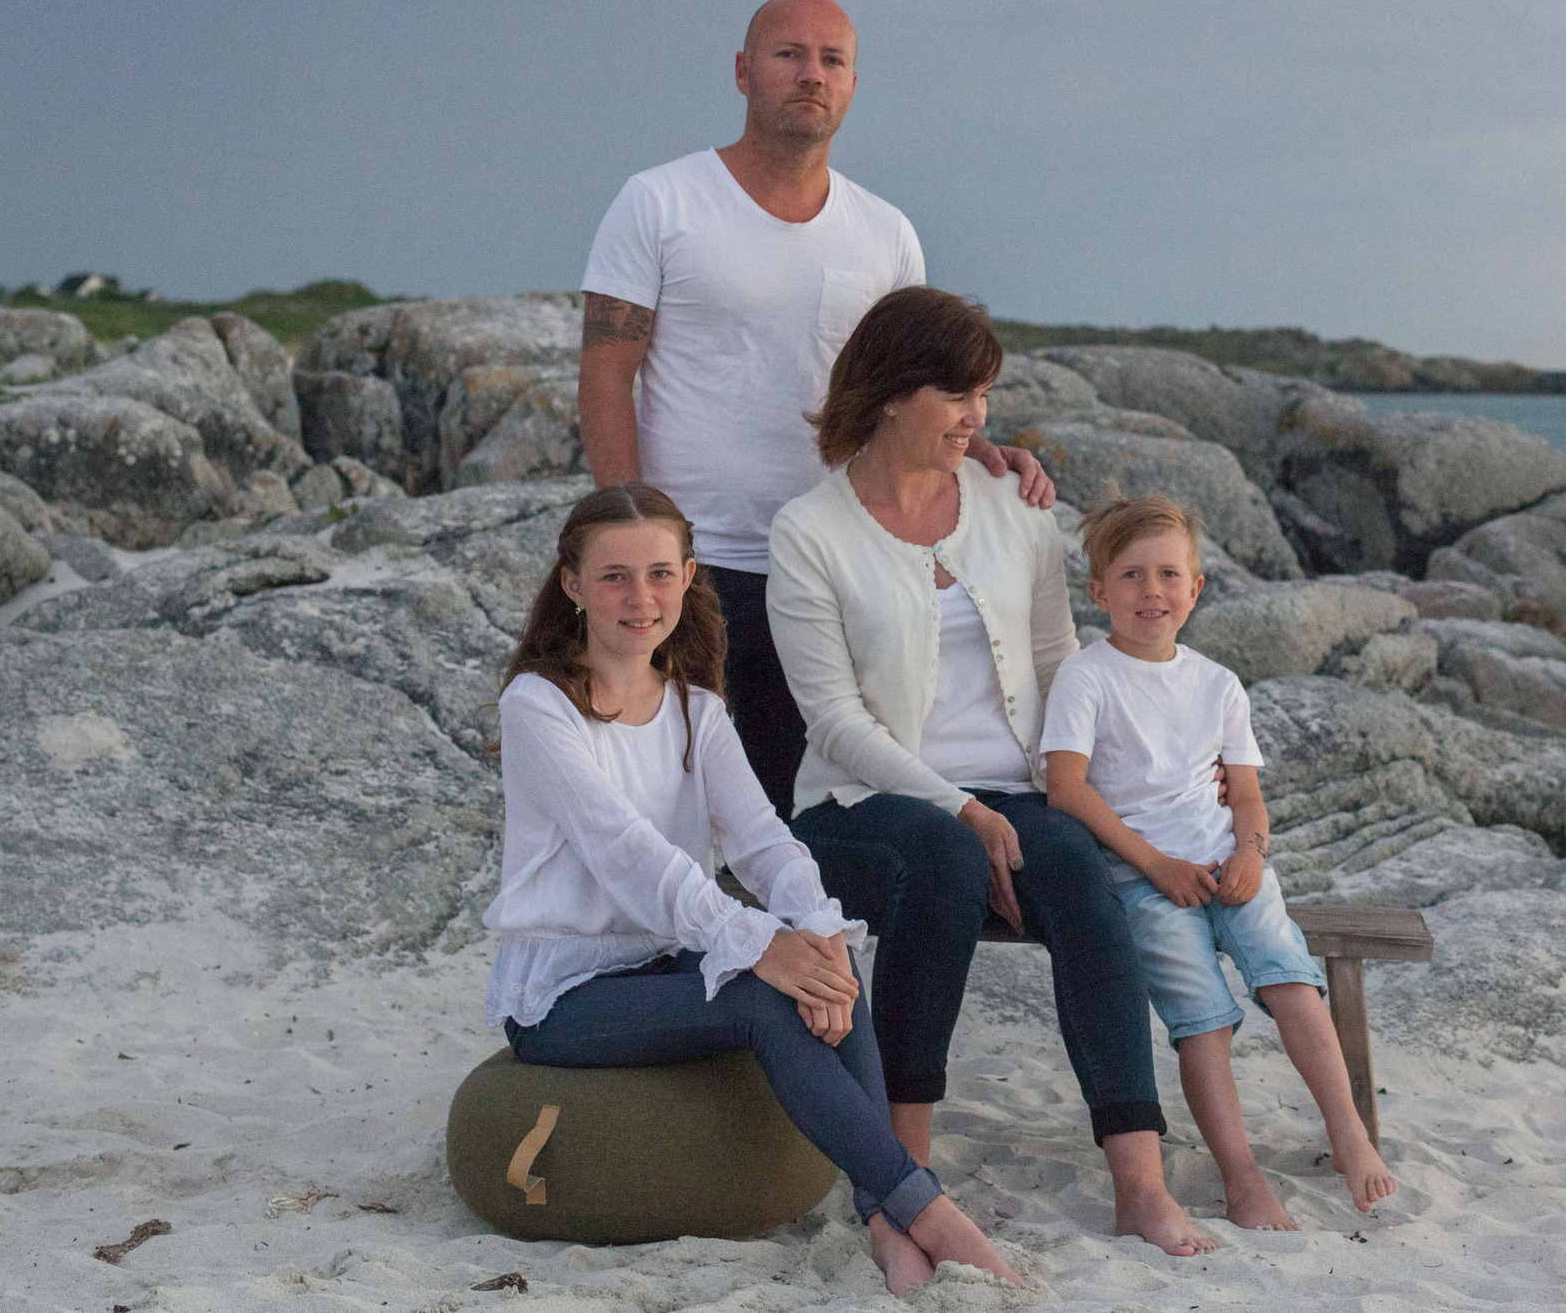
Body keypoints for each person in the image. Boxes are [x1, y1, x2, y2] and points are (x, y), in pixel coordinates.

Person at [766, 286, 1221, 1258]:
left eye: (984, 393)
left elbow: (1062, 663)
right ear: (890, 393)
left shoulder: (1015, 506)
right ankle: (901, 1182)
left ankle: (1138, 1182)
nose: (978, 415)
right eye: (956, 393)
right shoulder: (809, 531)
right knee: (942, 857)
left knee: (1075, 873)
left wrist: (1102, 793)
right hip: (861, 803)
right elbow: (836, 723)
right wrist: (961, 806)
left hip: (1016, 788)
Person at [483, 480, 1022, 1295]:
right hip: (566, 992)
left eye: (661, 574)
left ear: (690, 576)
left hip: (662, 961)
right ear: (571, 585)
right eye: (615, 576)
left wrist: (811, 928)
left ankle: (885, 1218)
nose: (641, 598)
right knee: (764, 993)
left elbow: (765, 839)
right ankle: (929, 1213)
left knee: (828, 964)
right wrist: (758, 943)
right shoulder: (540, 707)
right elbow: (626, 855)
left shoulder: (695, 706)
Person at [577, 0, 1050, 817]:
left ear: (854, 85)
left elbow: (917, 385)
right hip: (694, 560)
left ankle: (817, 945)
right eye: (788, 54)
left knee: (819, 807)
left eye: (831, 60)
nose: (810, 74)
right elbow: (606, 372)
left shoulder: (886, 232)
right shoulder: (659, 203)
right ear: (742, 71)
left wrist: (978, 448)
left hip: (841, 556)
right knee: (662, 796)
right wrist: (629, 532)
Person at [1041, 495, 1399, 1227]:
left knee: (1290, 976)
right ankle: (1242, 1180)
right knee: (1202, 1019)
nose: (1152, 591)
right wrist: (1156, 865)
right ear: (1099, 591)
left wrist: (1252, 855)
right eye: (1132, 575)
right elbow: (1066, 789)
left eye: (1170, 574)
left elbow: (1248, 800)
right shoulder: (1087, 676)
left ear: (1196, 589)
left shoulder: (1217, 684)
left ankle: (1349, 1133)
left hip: (1231, 868)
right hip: (1144, 881)